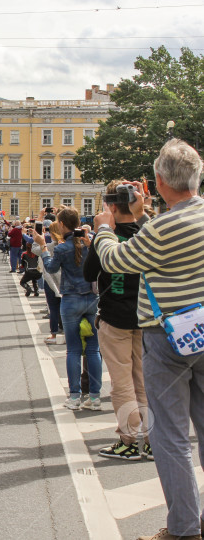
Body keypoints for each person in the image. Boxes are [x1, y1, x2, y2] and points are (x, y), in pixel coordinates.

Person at [93, 139, 204, 540]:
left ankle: (183, 529)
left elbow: (115, 261)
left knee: (171, 434)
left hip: (169, 338)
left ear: (158, 182)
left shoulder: (161, 228)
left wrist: (104, 230)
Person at [84, 180, 150, 462]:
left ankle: (128, 440)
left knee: (122, 383)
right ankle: (150, 439)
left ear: (110, 206)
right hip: (145, 316)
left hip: (115, 317)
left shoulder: (105, 236)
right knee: (143, 381)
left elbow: (89, 274)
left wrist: (100, 233)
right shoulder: (147, 231)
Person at [34, 208, 102, 411]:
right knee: (93, 349)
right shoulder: (89, 244)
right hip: (92, 299)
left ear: (62, 225)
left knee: (73, 349)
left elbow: (52, 268)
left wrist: (44, 248)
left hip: (71, 299)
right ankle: (95, 397)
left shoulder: (63, 248)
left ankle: (74, 397)